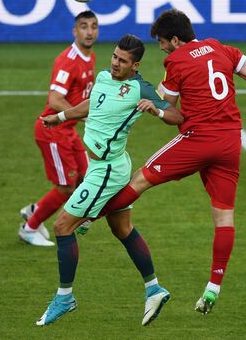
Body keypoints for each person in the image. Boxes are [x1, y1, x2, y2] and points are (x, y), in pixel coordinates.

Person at [84, 9, 246, 315]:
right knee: (224, 218)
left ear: (176, 39)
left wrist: (141, 98)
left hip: (198, 140)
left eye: (164, 42)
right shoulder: (223, 49)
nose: (162, 48)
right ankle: (213, 288)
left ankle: (87, 217)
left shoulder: (176, 61)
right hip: (231, 142)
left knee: (140, 179)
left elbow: (168, 106)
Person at [35, 34, 184, 326]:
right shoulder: (104, 76)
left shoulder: (140, 88)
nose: (115, 63)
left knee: (62, 226)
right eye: (115, 56)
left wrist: (155, 109)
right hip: (99, 166)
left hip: (107, 170)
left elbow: (177, 115)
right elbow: (91, 104)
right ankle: (153, 288)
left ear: (135, 65)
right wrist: (61, 116)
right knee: (123, 229)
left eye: (122, 61)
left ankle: (65, 297)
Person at [19, 11, 99, 246]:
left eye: (93, 26)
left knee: (88, 176)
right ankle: (30, 227)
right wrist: (81, 116)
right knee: (65, 187)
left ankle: (36, 210)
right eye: (84, 27)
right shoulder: (68, 60)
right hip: (52, 130)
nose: (89, 31)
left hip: (68, 129)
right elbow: (54, 99)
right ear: (75, 31)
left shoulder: (89, 57)